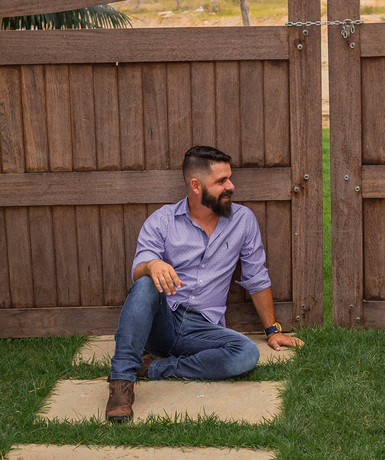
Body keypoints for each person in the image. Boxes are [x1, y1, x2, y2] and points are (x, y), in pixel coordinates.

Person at [106, 145, 302, 422]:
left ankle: (153, 369)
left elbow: (256, 276)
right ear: (196, 185)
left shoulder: (242, 221)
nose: (230, 186)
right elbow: (138, 272)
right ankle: (121, 384)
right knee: (145, 283)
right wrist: (152, 265)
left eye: (229, 178)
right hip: (164, 323)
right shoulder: (162, 221)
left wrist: (272, 330)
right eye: (221, 181)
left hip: (203, 329)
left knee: (246, 354)